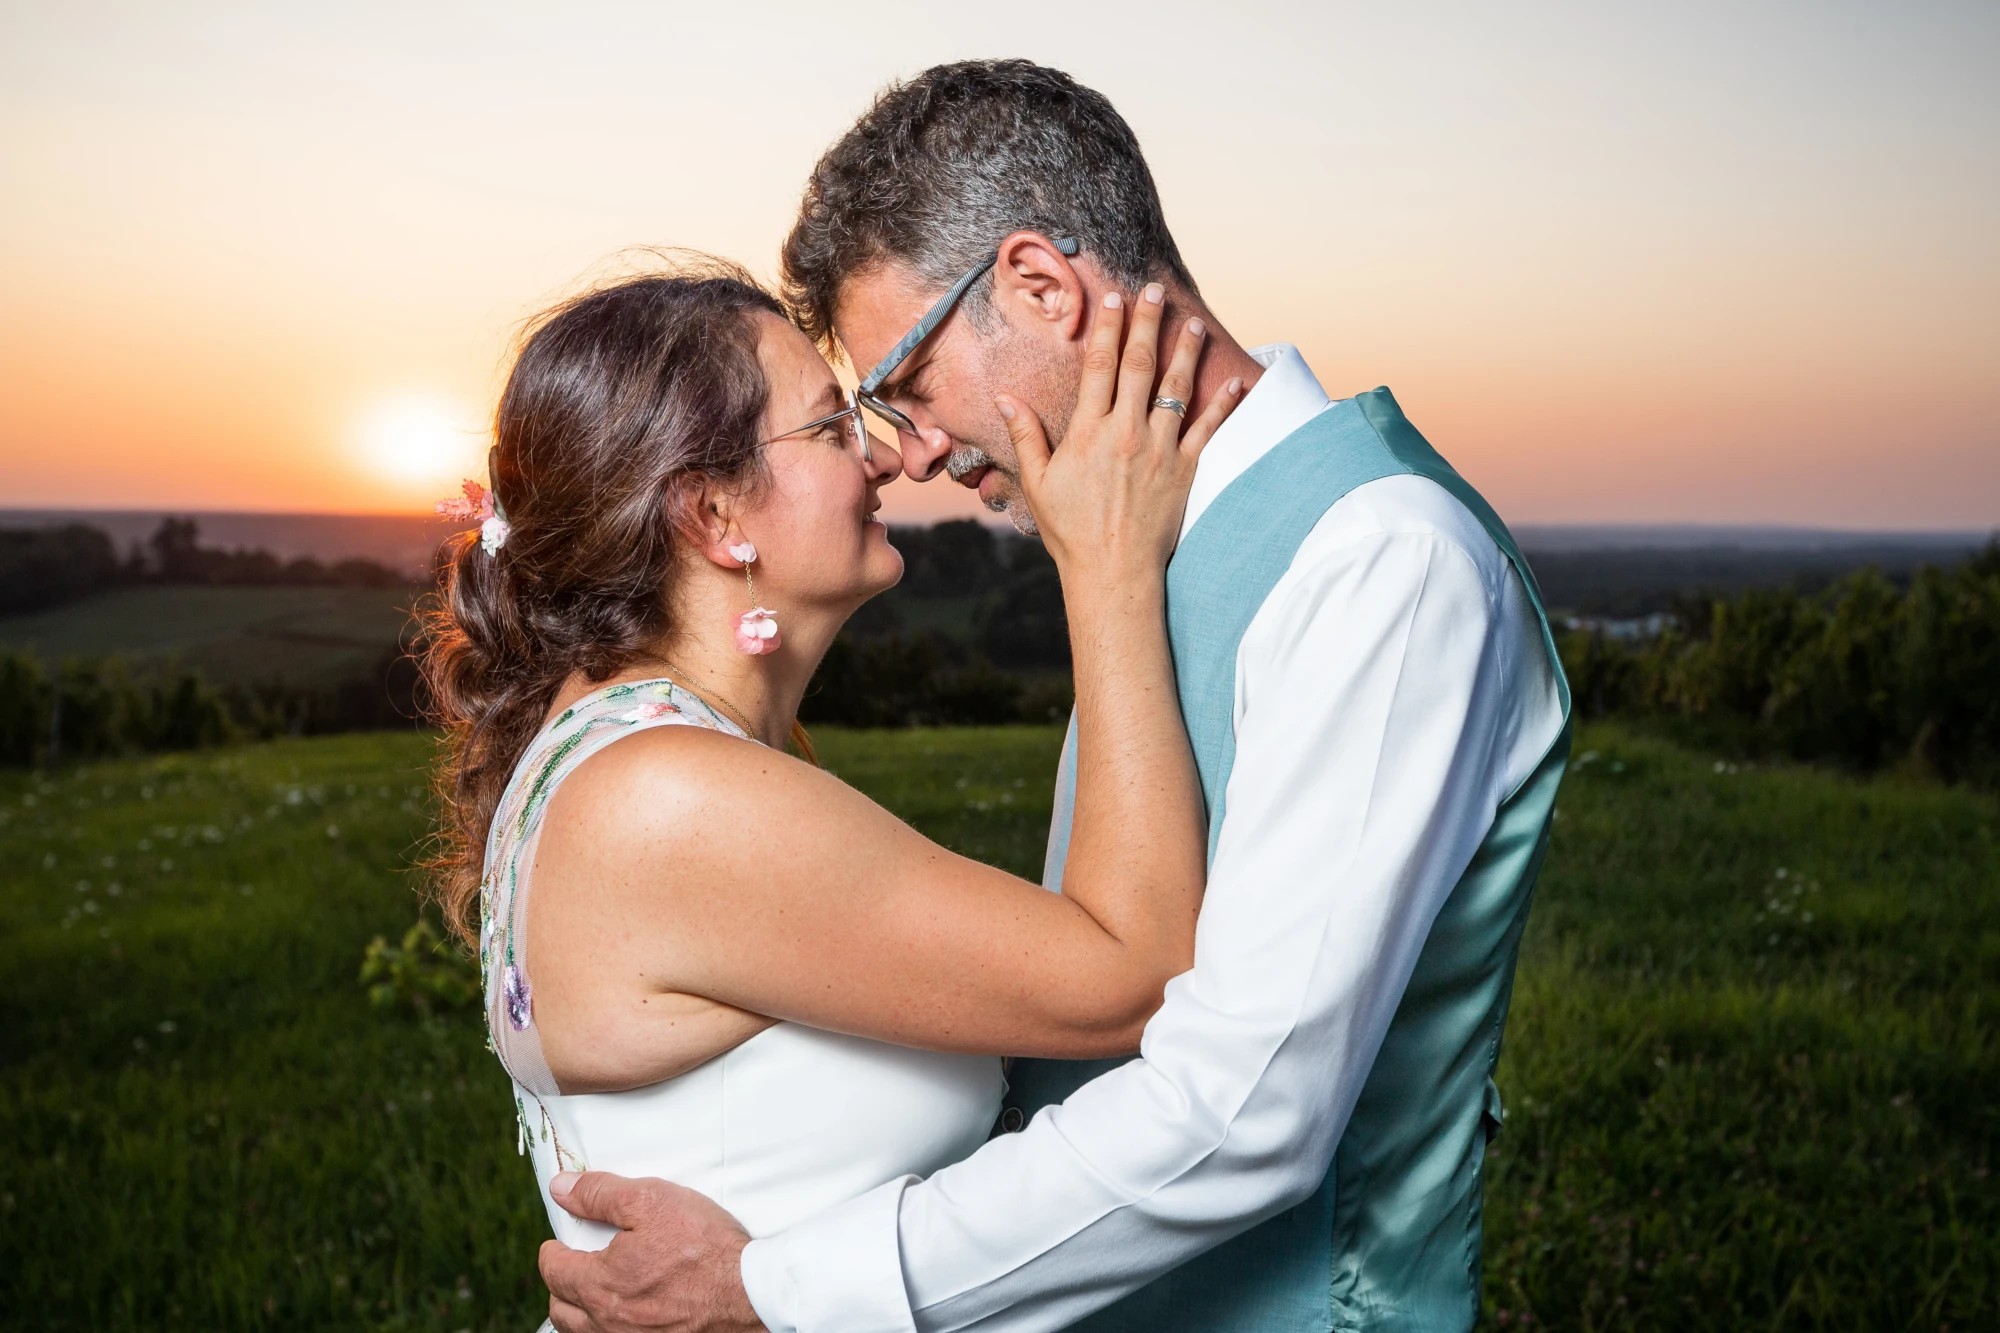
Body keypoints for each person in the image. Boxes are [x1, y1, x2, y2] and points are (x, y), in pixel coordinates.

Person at [538, 60, 1573, 1333]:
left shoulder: (1383, 559)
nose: (908, 454)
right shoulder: (1132, 550)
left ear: (1037, 286)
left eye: (906, 383)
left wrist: (778, 1286)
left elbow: (1245, 1111)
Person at [423, 255, 1241, 1328]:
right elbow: (1133, 973)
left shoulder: (624, 755)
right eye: (829, 428)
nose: (891, 457)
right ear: (714, 514)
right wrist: (1105, 564)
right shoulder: (671, 797)